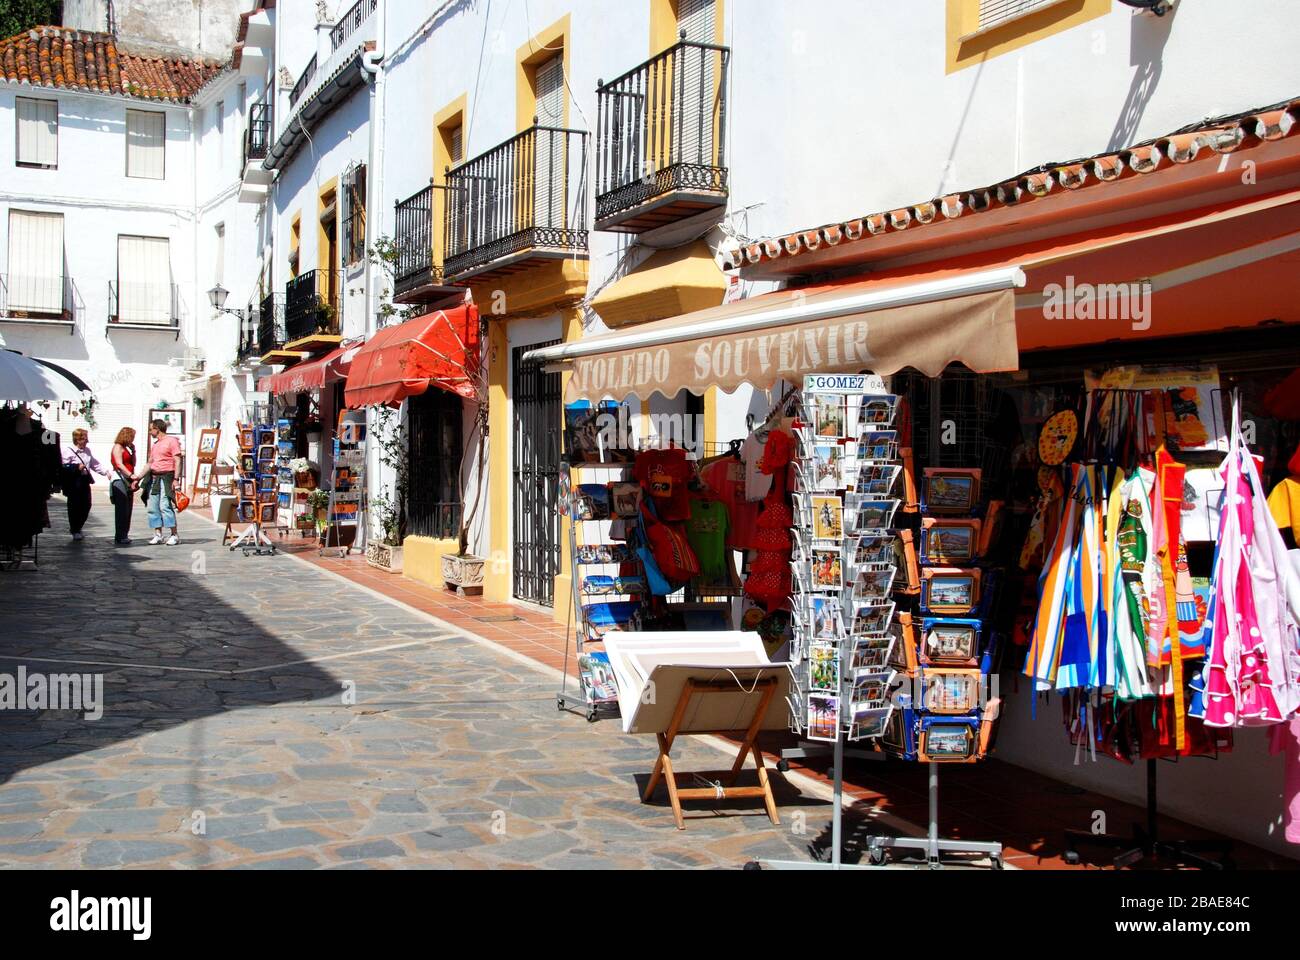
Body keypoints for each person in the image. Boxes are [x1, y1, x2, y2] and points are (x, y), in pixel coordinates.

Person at [134, 419, 182, 546]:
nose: (150, 432)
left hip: (167, 477)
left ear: (157, 429)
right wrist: (138, 478)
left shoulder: (172, 441)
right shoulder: (155, 445)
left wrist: (176, 479)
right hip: (154, 478)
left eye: (151, 429)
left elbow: (177, 460)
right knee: (153, 507)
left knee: (165, 506)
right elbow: (150, 463)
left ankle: (174, 534)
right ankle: (158, 534)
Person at [60, 429, 111, 541]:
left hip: (84, 481)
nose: (87, 440)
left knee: (87, 505)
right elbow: (63, 467)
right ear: (77, 439)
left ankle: (78, 527)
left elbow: (94, 463)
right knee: (74, 507)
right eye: (84, 438)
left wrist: (106, 472)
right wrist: (76, 467)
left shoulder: (87, 450)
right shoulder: (67, 451)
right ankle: (75, 529)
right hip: (74, 482)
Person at [109, 427, 140, 546]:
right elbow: (119, 464)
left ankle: (124, 534)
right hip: (120, 479)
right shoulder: (117, 447)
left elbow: (133, 463)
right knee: (121, 508)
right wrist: (131, 475)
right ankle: (120, 535)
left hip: (127, 479)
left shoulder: (126, 448)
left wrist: (134, 451)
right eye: (132, 437)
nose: (132, 439)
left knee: (128, 508)